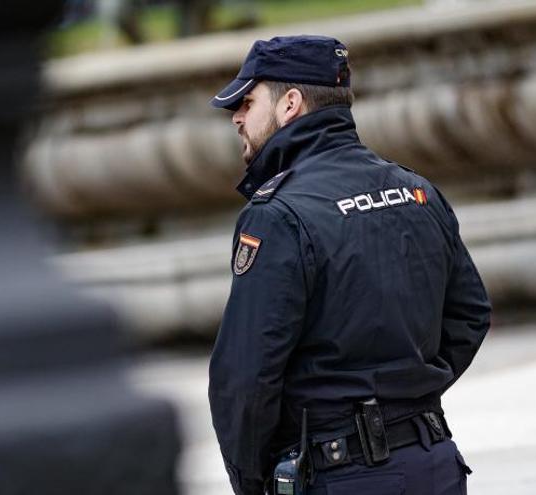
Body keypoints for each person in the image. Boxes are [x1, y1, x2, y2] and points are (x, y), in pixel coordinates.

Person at [207, 35, 491, 495]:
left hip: (340, 474)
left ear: (290, 105)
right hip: (434, 462)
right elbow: (471, 314)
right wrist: (408, 396)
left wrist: (252, 483)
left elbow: (244, 378)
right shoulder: (416, 190)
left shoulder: (277, 214)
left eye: (248, 101)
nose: (237, 117)